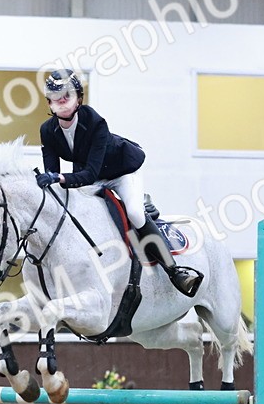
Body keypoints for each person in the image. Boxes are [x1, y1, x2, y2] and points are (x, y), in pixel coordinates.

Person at [36, 69, 202, 297]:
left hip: (121, 172)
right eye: (56, 98)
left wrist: (59, 178)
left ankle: (175, 271)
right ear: (49, 102)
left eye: (67, 96)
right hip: (88, 175)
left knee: (134, 213)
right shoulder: (47, 130)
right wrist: (46, 180)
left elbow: (88, 173)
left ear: (79, 99)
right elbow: (52, 173)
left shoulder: (95, 122)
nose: (61, 102)